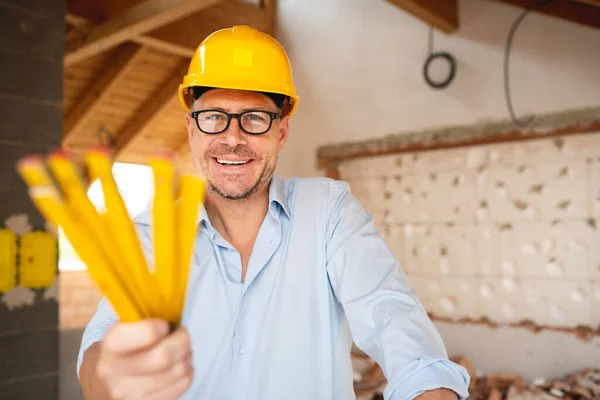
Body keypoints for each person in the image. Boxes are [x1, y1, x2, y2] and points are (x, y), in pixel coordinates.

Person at [77, 25, 470, 400]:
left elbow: (392, 315)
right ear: (192, 129)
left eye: (254, 117)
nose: (232, 139)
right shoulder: (151, 234)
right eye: (213, 117)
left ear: (281, 132)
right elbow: (102, 352)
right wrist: (111, 374)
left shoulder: (329, 215)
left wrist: (429, 389)